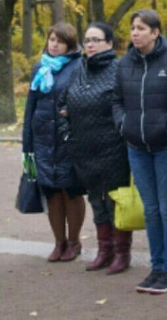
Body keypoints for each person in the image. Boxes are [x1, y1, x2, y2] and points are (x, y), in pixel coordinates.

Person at [115, 10, 167, 293]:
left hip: (166, 149)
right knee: (150, 210)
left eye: (141, 28)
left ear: (155, 32)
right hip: (136, 146)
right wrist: (123, 124)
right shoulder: (125, 64)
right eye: (132, 28)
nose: (135, 33)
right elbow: (117, 100)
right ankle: (156, 266)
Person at [59, 22, 131, 274]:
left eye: (96, 40)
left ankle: (121, 253)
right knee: (96, 201)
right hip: (84, 148)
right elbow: (62, 105)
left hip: (113, 148)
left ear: (109, 43)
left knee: (115, 201)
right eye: (87, 40)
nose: (89, 44)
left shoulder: (120, 69)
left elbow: (126, 106)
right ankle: (104, 250)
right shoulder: (79, 69)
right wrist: (67, 134)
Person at [23, 22, 86, 262]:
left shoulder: (79, 66)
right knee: (51, 192)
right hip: (42, 141)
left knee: (70, 190)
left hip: (68, 140)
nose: (54, 44)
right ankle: (58, 242)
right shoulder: (40, 67)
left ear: (69, 44)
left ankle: (74, 241)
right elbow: (31, 106)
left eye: (60, 40)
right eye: (51, 39)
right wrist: (27, 145)